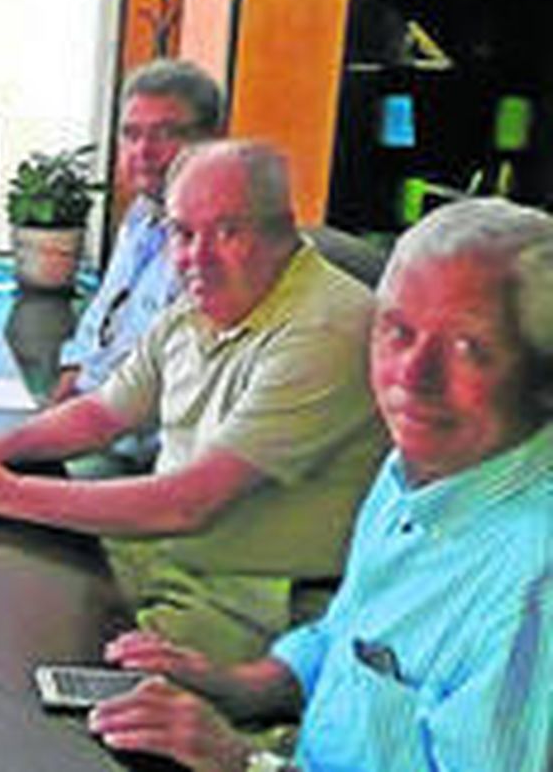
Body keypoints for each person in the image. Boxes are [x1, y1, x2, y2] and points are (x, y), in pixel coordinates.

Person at [90, 198, 553, 772]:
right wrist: (231, 684)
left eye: (468, 347)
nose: (413, 375)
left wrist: (241, 762)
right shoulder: (422, 466)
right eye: (397, 331)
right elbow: (345, 638)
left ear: (542, 378)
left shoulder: (534, 584)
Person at [0, 141, 385, 664]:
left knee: (40, 674)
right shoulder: (198, 304)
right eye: (183, 233)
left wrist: (2, 491)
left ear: (281, 232)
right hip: (164, 556)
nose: (198, 256)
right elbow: (104, 414)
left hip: (250, 600)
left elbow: (189, 502)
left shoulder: (326, 328)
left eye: (228, 231)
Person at [53, 60, 224, 405]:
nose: (143, 152)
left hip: (136, 439)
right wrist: (71, 377)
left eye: (165, 134)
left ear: (212, 141)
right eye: (131, 134)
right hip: (91, 414)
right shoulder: (143, 214)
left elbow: (174, 389)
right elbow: (102, 318)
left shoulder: (219, 246)